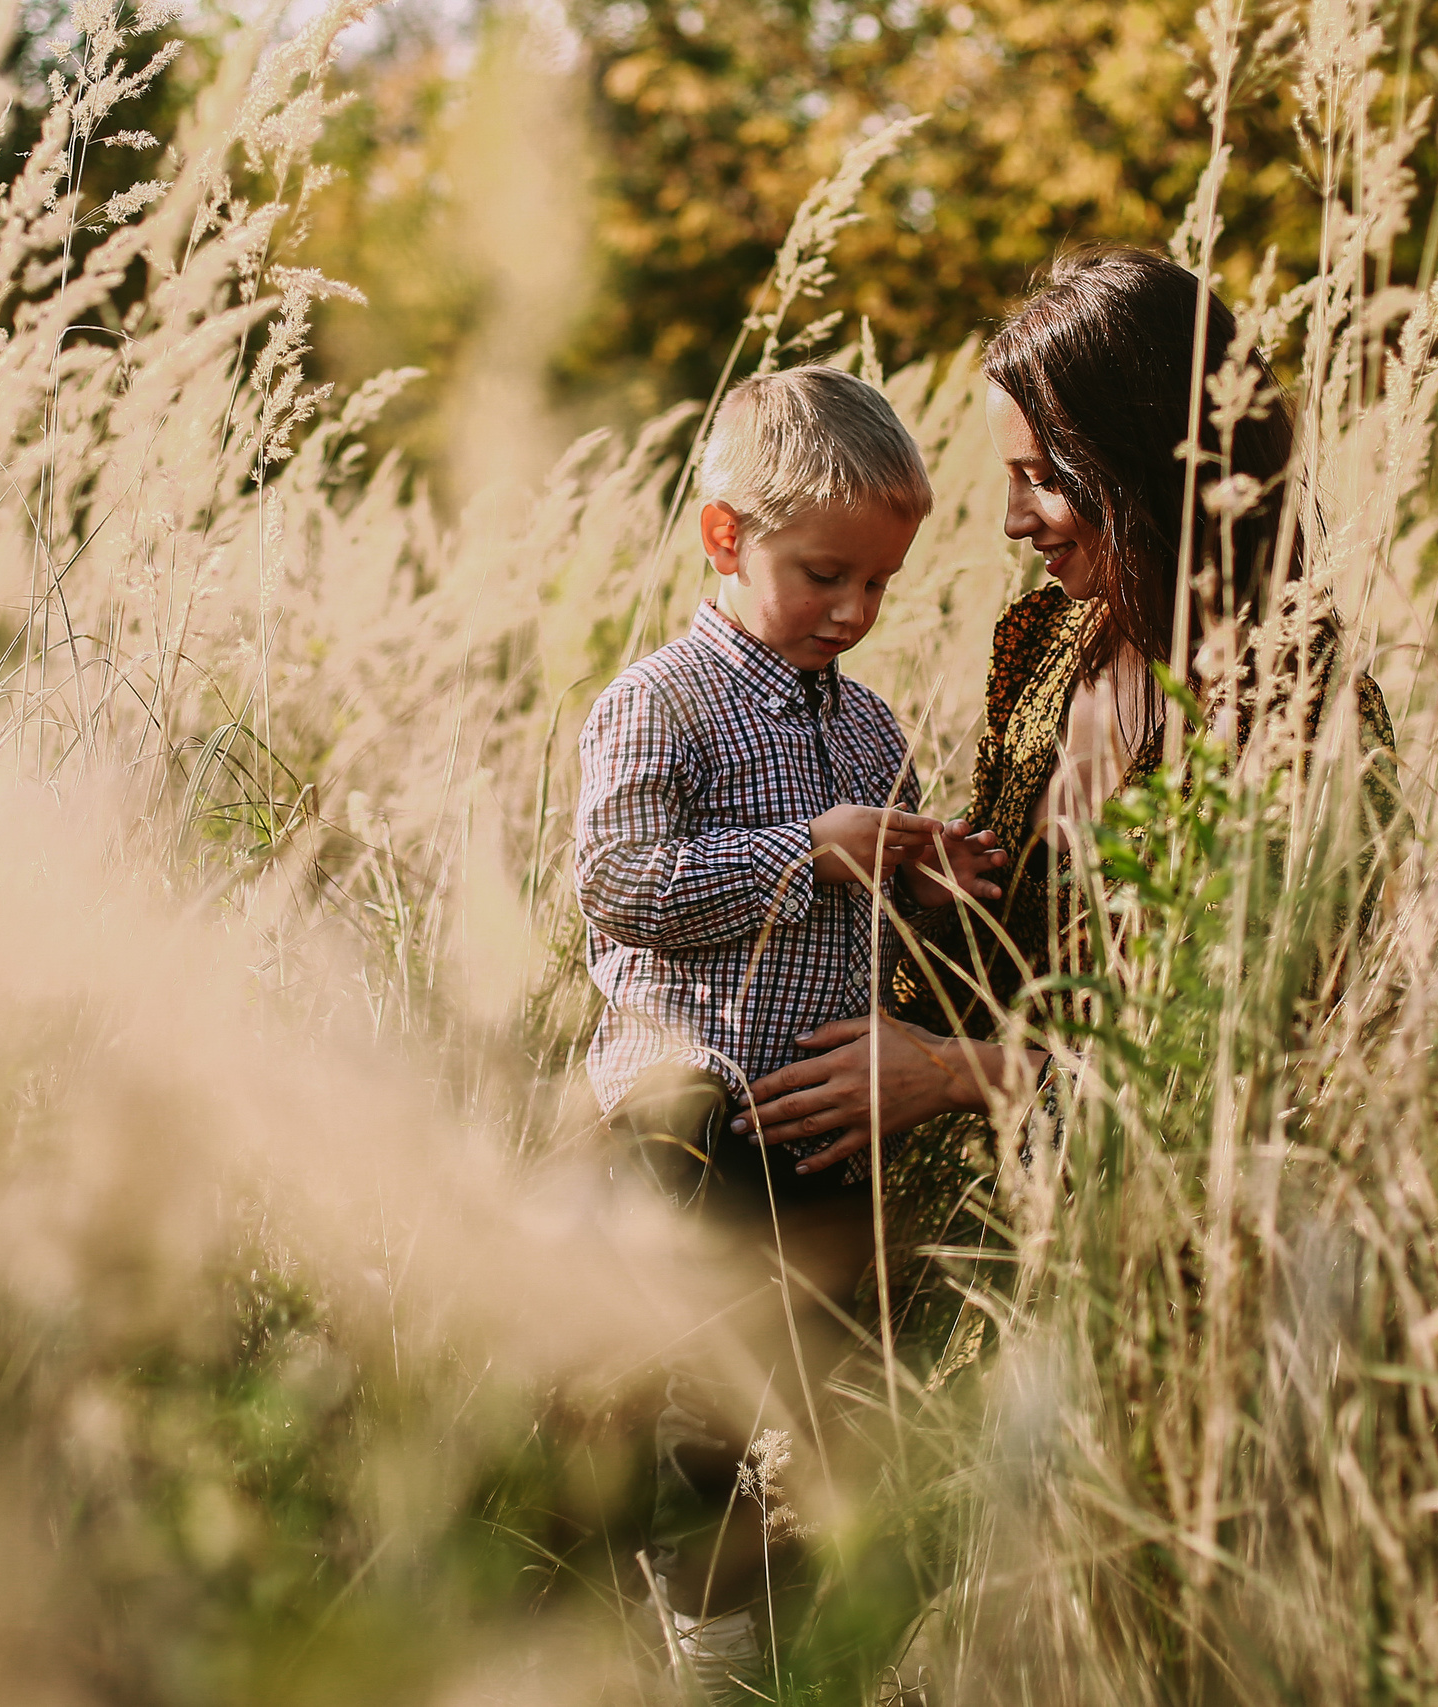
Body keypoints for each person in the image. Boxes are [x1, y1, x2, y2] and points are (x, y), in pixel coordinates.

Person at [734, 247, 1403, 1382]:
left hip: (1160, 1276)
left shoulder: (1301, 714)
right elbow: (993, 963)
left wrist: (951, 1074)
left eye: (1042, 478)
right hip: (956, 1208)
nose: (1013, 522)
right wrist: (910, 899)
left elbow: (1236, 1083)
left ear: (1144, 464)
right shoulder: (1042, 647)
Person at [573, 364, 1008, 1697]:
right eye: (826, 574)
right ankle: (708, 1640)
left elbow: (870, 916)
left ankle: (814, 1622)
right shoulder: (663, 703)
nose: (855, 610)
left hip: (823, 1120)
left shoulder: (871, 724)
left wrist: (918, 884)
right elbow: (621, 881)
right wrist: (803, 852)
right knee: (697, 1388)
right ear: (726, 537)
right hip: (689, 1115)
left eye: (879, 584)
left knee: (833, 1390)